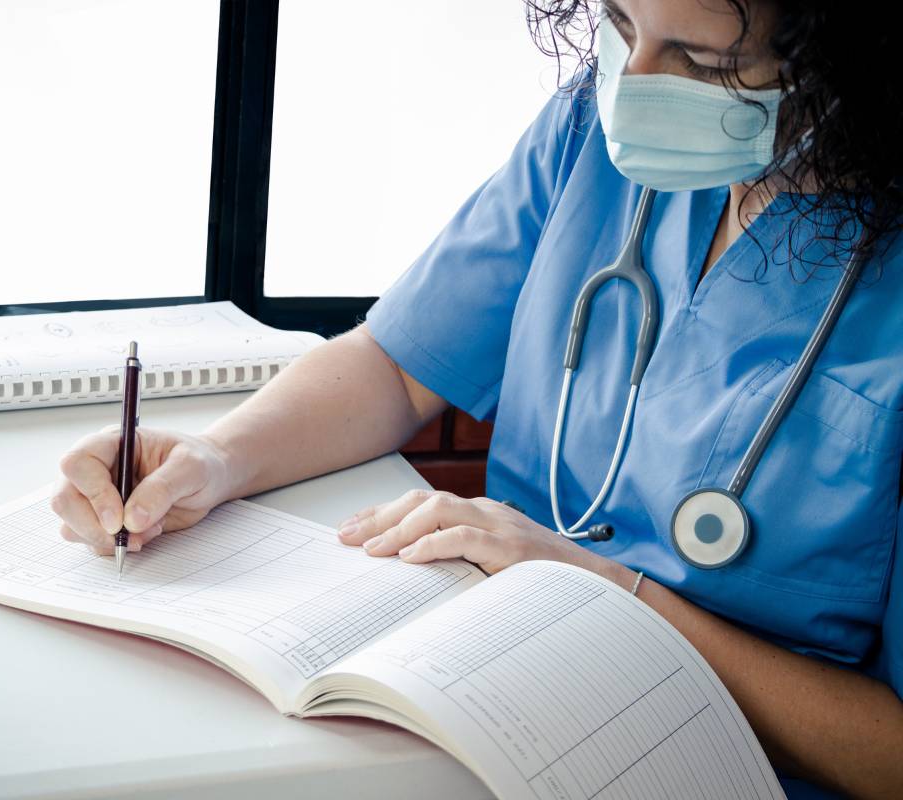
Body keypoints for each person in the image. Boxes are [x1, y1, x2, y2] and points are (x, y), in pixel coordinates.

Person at [52, 0, 903, 796]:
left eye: (704, 59)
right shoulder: (592, 136)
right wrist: (216, 457)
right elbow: (396, 364)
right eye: (617, 19)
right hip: (491, 695)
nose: (635, 82)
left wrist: (609, 597)